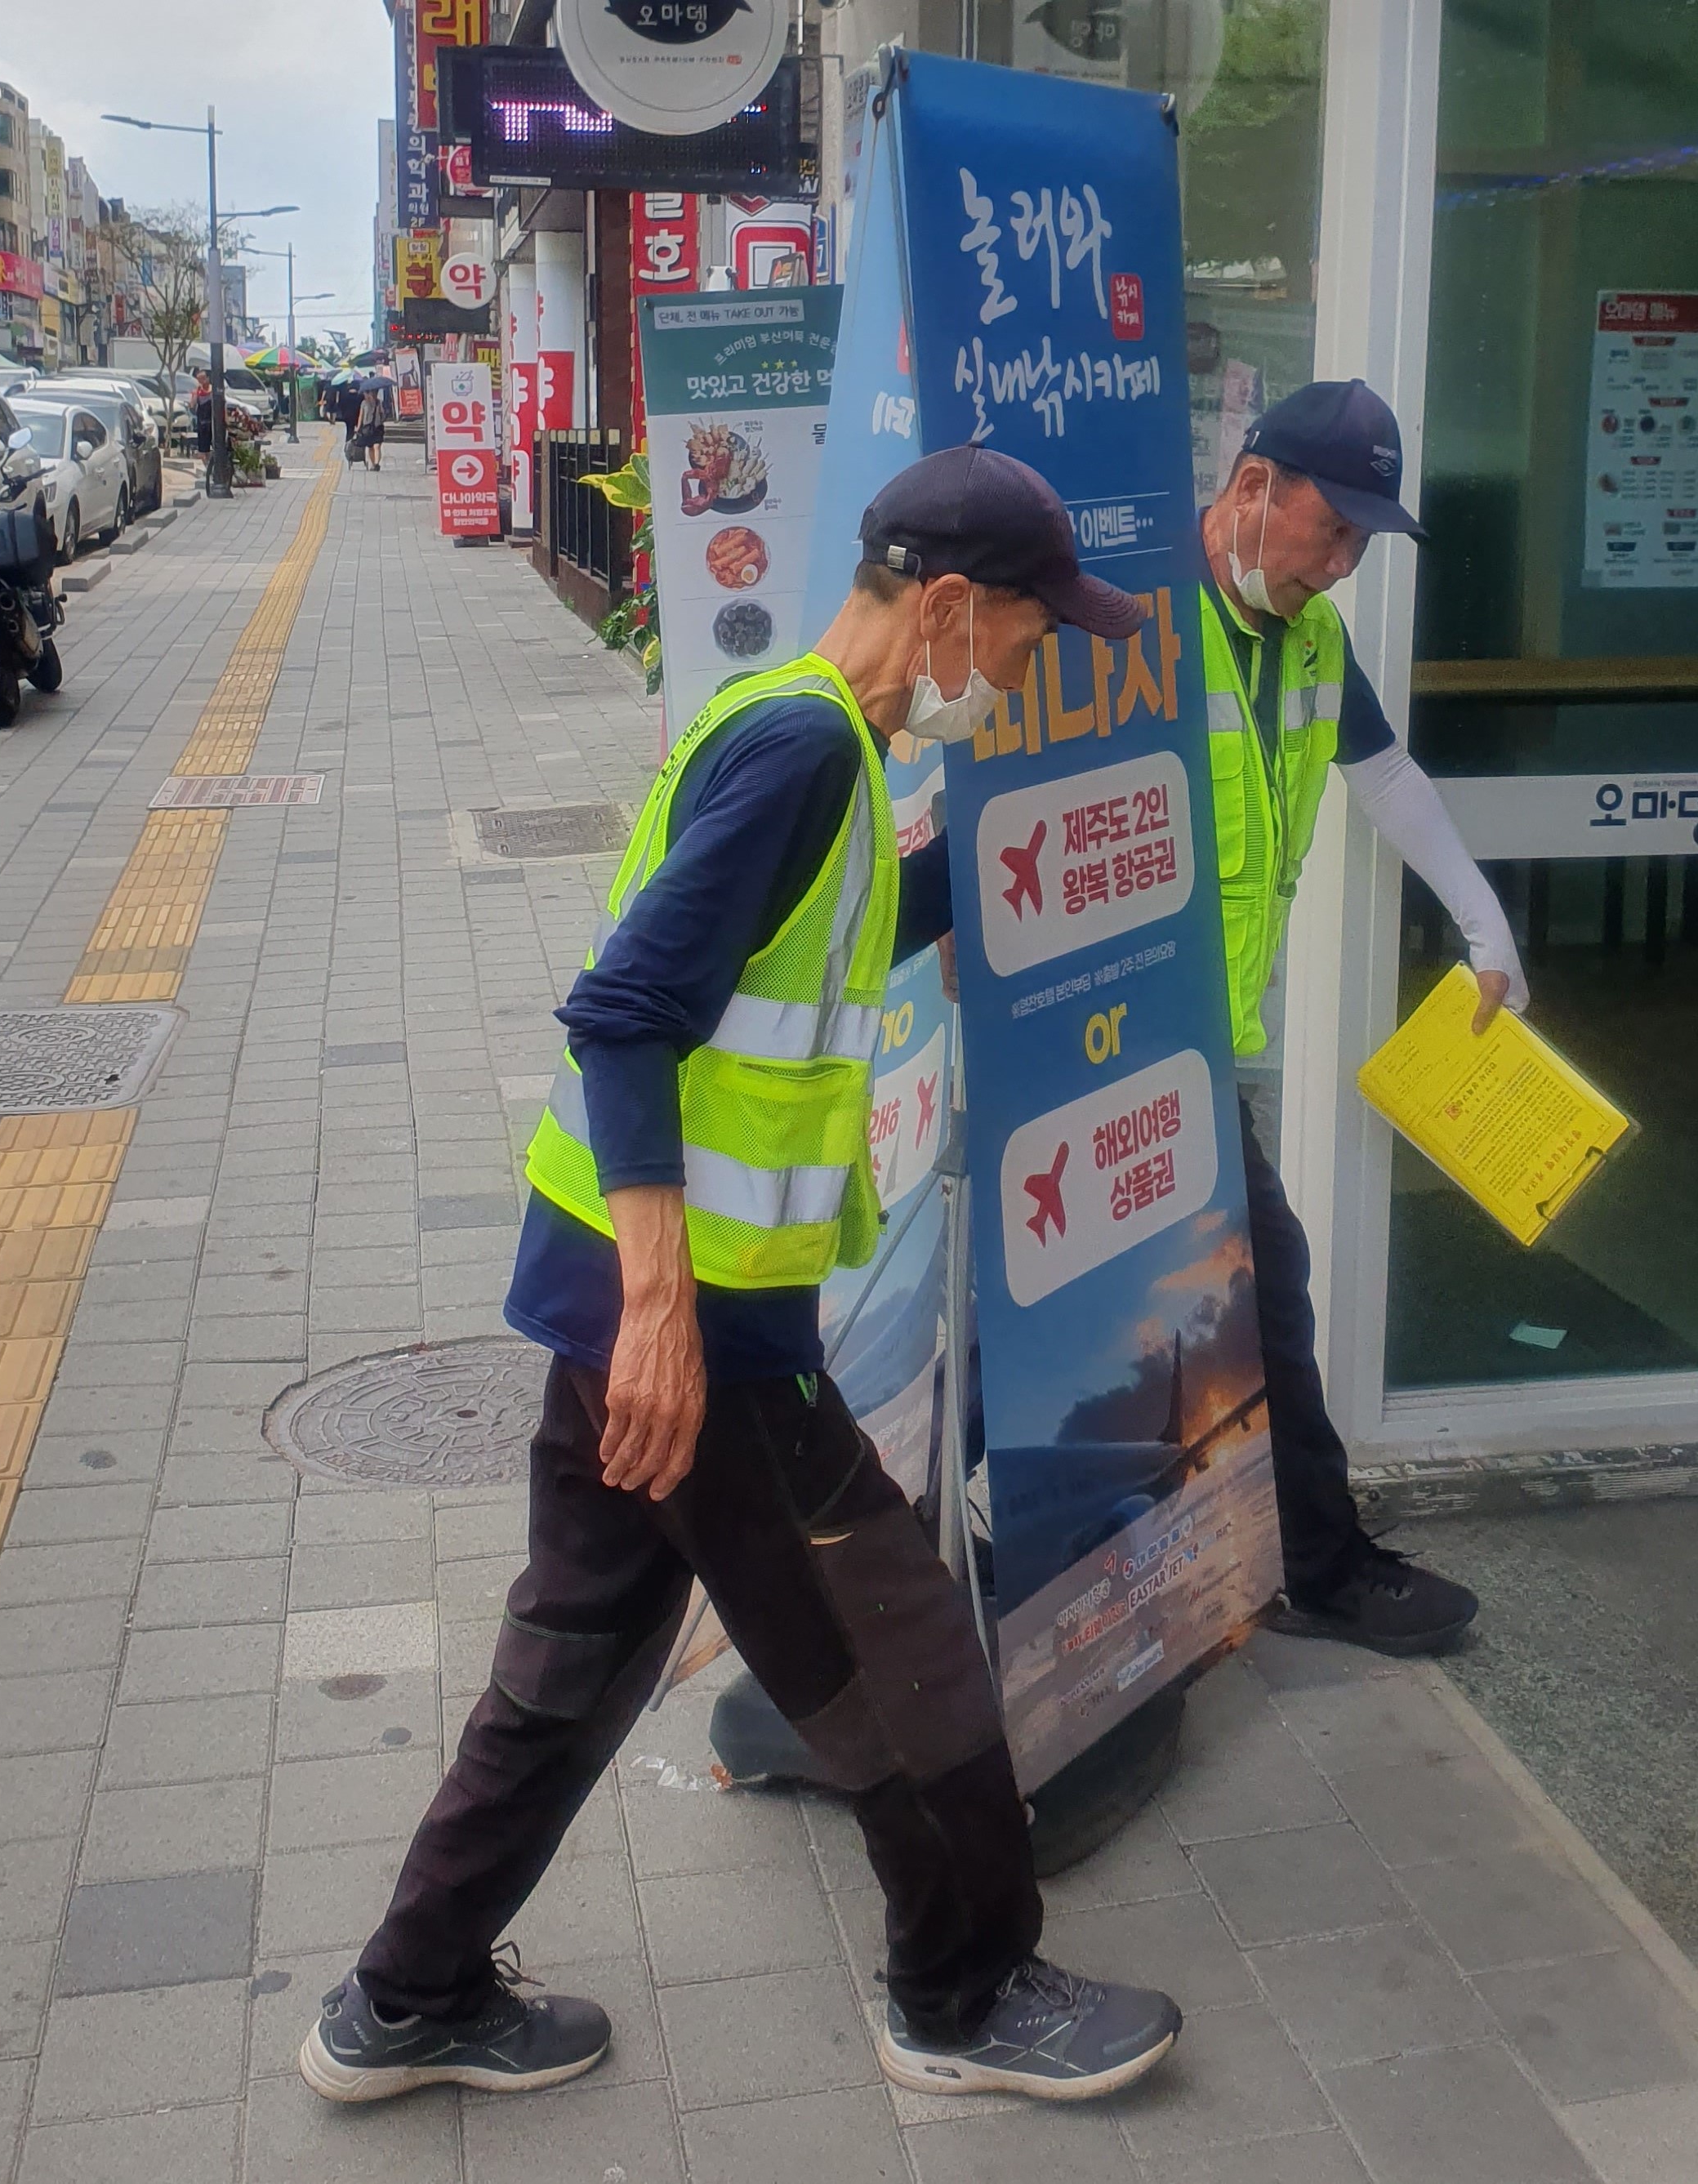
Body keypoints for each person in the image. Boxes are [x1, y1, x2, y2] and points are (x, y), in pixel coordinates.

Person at [301, 446, 1185, 2111]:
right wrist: (660, 1321)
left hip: (630, 1300)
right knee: (903, 1653)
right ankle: (967, 1989)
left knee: (575, 1652)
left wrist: (1013, 874)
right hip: (690, 1323)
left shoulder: (809, 732)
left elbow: (805, 941)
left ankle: (402, 1996)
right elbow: (626, 1011)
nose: (1016, 674)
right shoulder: (806, 752)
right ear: (942, 606)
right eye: (1017, 641)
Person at [1201, 378, 1526, 1656]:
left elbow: (1384, 774)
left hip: (1196, 1050)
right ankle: (1320, 1566)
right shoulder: (1137, 623)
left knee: (1227, 1290)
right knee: (1262, 1280)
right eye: (1329, 530)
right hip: (1096, 1040)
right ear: (1251, 488)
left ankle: (883, 1538)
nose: (1338, 566)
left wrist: (1484, 922)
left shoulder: (1313, 642)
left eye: (1357, 546)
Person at [355, 384, 385, 470]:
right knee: (371, 447)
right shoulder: (365, 403)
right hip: (370, 427)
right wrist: (358, 427)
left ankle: (376, 464)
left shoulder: (377, 403)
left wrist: (358, 427)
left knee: (376, 446)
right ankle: (374, 464)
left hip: (375, 427)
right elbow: (361, 416)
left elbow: (382, 414)